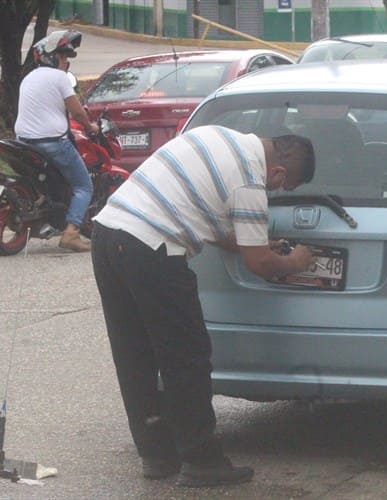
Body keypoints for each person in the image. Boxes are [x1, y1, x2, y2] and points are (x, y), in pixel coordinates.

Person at [90, 126, 316, 488]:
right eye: (281, 188)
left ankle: (156, 453)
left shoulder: (216, 135)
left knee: (135, 353)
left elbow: (195, 207)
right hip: (152, 248)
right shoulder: (250, 181)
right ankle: (202, 460)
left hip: (108, 235)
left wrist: (247, 239)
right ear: (279, 172)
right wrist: (297, 261)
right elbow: (260, 264)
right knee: (186, 356)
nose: (274, 192)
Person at [14, 29, 98, 252]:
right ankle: (71, 233)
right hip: (52, 142)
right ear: (50, 57)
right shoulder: (60, 79)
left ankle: (45, 210)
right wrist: (90, 127)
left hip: (22, 142)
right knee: (83, 186)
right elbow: (78, 114)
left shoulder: (28, 78)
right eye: (62, 57)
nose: (65, 62)